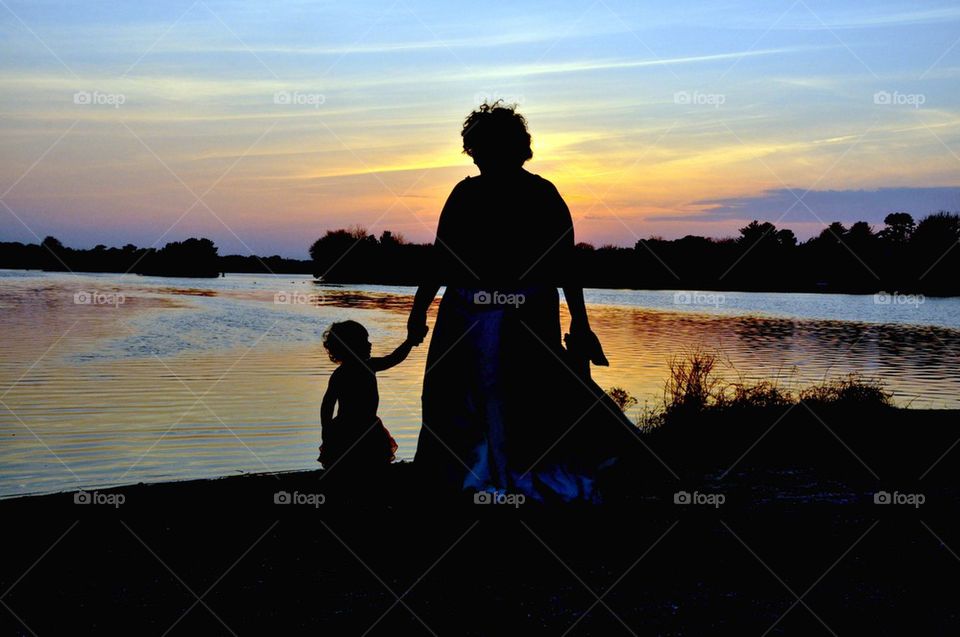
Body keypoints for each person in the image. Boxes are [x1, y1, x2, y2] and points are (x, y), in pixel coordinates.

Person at [406, 101, 639, 503]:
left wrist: (580, 325)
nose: (476, 156)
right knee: (463, 401)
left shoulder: (532, 194)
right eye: (473, 149)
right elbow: (443, 258)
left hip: (517, 319)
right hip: (474, 315)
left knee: (520, 401)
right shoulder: (483, 193)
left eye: (479, 147)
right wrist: (418, 309)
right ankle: (470, 475)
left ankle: (495, 478)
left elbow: (565, 264)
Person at [318, 320, 419, 474]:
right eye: (364, 341)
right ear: (351, 345)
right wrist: (326, 429)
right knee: (355, 466)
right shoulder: (350, 371)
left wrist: (410, 342)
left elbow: (393, 358)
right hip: (352, 427)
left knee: (363, 466)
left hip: (361, 426)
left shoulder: (364, 367)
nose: (370, 344)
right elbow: (328, 404)